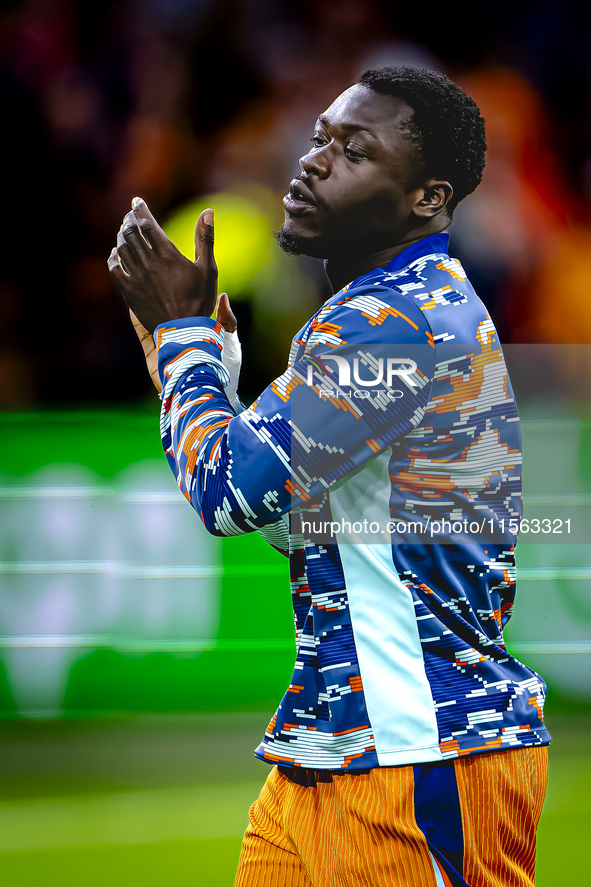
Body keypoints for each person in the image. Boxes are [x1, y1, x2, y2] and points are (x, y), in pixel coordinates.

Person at [108, 66, 550, 887]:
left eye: (355, 151)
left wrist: (181, 342)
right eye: (319, 138)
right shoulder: (387, 309)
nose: (313, 161)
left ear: (426, 197)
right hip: (333, 750)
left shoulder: (395, 323)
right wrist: (207, 363)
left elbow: (226, 492)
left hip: (414, 756)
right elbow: (308, 523)